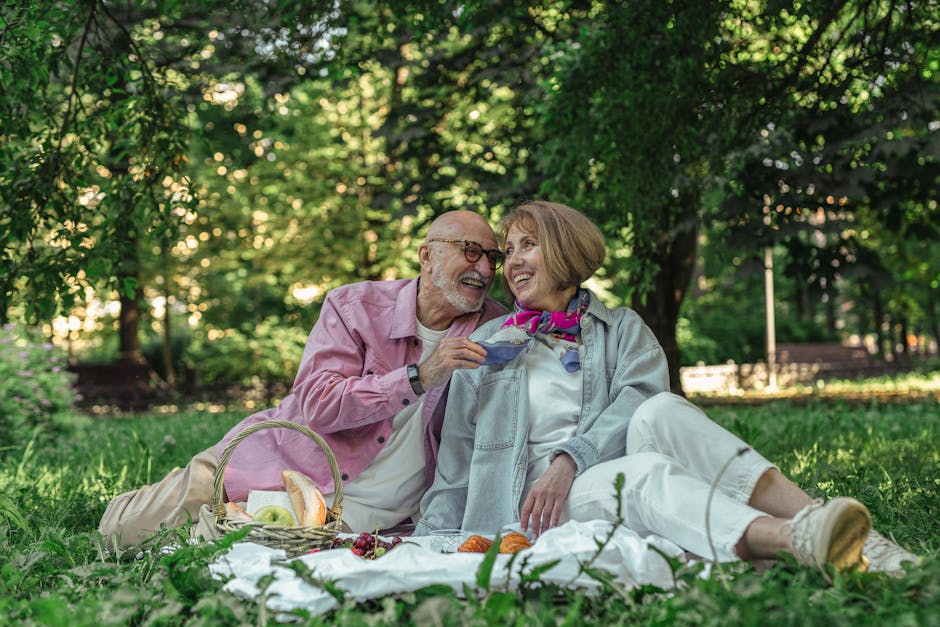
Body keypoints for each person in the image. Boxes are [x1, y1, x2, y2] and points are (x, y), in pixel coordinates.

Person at [416, 200, 920, 576]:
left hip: (591, 468)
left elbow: (638, 402)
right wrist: (424, 544)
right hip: (530, 502)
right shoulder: (485, 344)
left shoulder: (621, 327)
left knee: (662, 408)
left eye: (529, 245)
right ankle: (798, 539)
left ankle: (849, 533)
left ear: (566, 252)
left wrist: (572, 458)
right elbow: (457, 457)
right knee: (642, 473)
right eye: (507, 252)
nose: (512, 262)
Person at [99, 210, 509, 550]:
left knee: (208, 555)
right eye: (471, 252)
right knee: (121, 535)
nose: (485, 268)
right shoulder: (355, 307)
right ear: (426, 255)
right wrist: (419, 376)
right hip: (273, 462)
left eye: (493, 258)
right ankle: (144, 504)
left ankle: (211, 530)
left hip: (352, 516)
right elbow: (318, 403)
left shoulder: (495, 326)